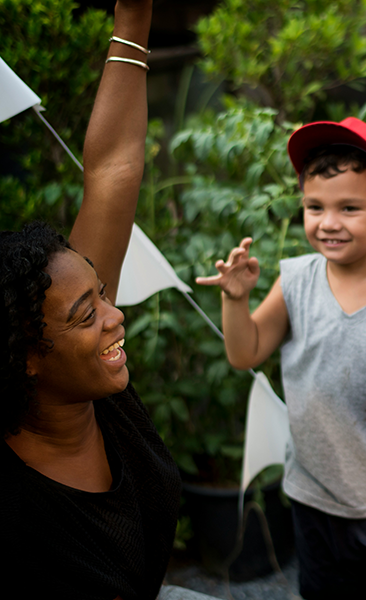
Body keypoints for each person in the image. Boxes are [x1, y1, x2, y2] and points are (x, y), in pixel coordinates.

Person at [0, 2, 217, 599]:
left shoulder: (89, 385)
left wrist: (135, 17)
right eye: (87, 314)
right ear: (27, 355)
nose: (116, 314)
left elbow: (115, 169)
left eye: (102, 293)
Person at [197, 117, 366, 600]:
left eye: (350, 207)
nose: (328, 222)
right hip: (314, 496)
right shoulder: (296, 281)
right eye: (314, 206)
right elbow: (245, 352)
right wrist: (236, 301)